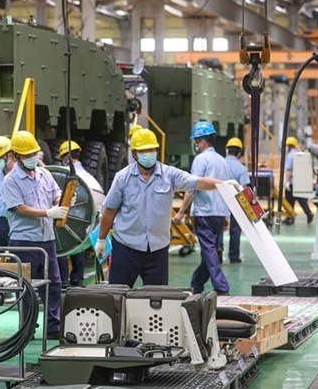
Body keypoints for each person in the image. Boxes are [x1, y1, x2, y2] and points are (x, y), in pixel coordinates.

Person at [97, 128, 224, 287]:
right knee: (117, 294)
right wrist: (101, 239)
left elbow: (198, 182)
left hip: (157, 251)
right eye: (143, 151)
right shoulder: (122, 178)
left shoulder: (169, 175)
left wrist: (225, 185)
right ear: (135, 154)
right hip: (126, 247)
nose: (148, 154)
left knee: (157, 298)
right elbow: (110, 211)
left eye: (151, 150)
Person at [2, 130, 70, 337]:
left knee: (53, 284)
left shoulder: (44, 174)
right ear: (15, 155)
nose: (32, 157)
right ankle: (27, 326)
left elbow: (56, 194)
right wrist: (48, 212)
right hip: (24, 241)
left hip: (47, 239)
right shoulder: (11, 180)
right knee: (26, 287)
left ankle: (53, 326)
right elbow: (19, 208)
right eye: (27, 154)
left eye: (34, 153)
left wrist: (63, 201)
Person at [174, 122, 231, 295]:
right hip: (219, 212)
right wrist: (226, 214)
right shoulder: (222, 161)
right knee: (211, 251)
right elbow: (226, 189)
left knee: (209, 250)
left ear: (202, 141)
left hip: (205, 212)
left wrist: (181, 212)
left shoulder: (200, 160)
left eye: (197, 141)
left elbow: (192, 187)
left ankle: (222, 287)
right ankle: (197, 283)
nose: (197, 145)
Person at [55, 140, 96, 288]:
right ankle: (77, 279)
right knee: (78, 246)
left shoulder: (64, 173)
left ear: (65, 157)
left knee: (62, 246)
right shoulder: (88, 175)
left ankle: (63, 280)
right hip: (83, 218)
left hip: (66, 215)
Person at [224, 137, 251, 264]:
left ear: (227, 150)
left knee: (218, 228)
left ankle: (217, 253)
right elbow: (244, 189)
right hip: (236, 203)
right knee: (235, 230)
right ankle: (234, 256)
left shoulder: (220, 164)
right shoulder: (242, 168)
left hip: (219, 201)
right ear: (240, 153)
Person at [285, 136, 313, 224]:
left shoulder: (290, 156)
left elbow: (288, 170)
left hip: (292, 182)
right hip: (301, 181)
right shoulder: (300, 154)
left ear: (289, 146)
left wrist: (287, 182)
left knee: (289, 201)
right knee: (302, 200)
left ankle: (290, 217)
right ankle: (309, 213)